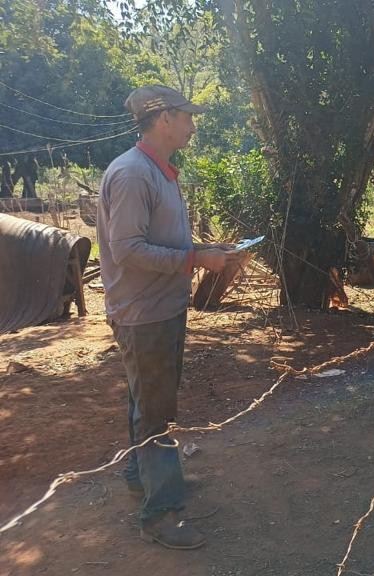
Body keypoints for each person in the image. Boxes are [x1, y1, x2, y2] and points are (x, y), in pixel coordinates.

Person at [97, 85, 239, 549]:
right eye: (186, 117)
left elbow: (162, 242)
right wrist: (197, 260)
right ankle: (161, 514)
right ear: (162, 120)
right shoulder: (134, 175)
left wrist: (207, 253)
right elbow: (127, 250)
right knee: (157, 410)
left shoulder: (158, 172)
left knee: (147, 398)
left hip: (159, 307)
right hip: (145, 313)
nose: (193, 126)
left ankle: (141, 476)